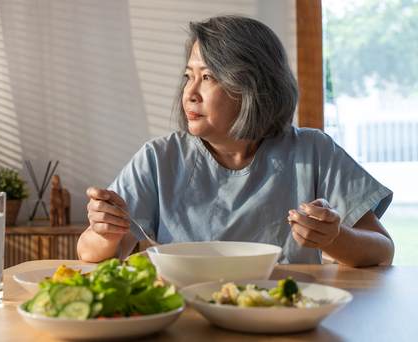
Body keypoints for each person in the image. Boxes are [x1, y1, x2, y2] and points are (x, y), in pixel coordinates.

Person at [76, 15, 394, 266]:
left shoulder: (313, 151)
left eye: (208, 77)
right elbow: (89, 252)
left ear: (251, 87)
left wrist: (333, 238)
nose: (189, 93)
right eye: (189, 76)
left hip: (282, 313)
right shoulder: (159, 158)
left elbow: (382, 251)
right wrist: (106, 232)